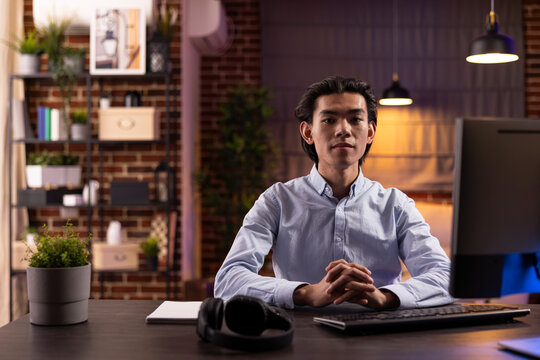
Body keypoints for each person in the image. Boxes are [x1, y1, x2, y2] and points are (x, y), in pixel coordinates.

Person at [214, 76, 454, 310]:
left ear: (370, 132)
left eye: (355, 119)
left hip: (383, 335)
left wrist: (386, 297)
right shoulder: (277, 201)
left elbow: (447, 277)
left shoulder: (395, 205)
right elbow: (228, 280)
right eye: (329, 120)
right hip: (299, 337)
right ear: (308, 132)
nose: (343, 130)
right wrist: (305, 293)